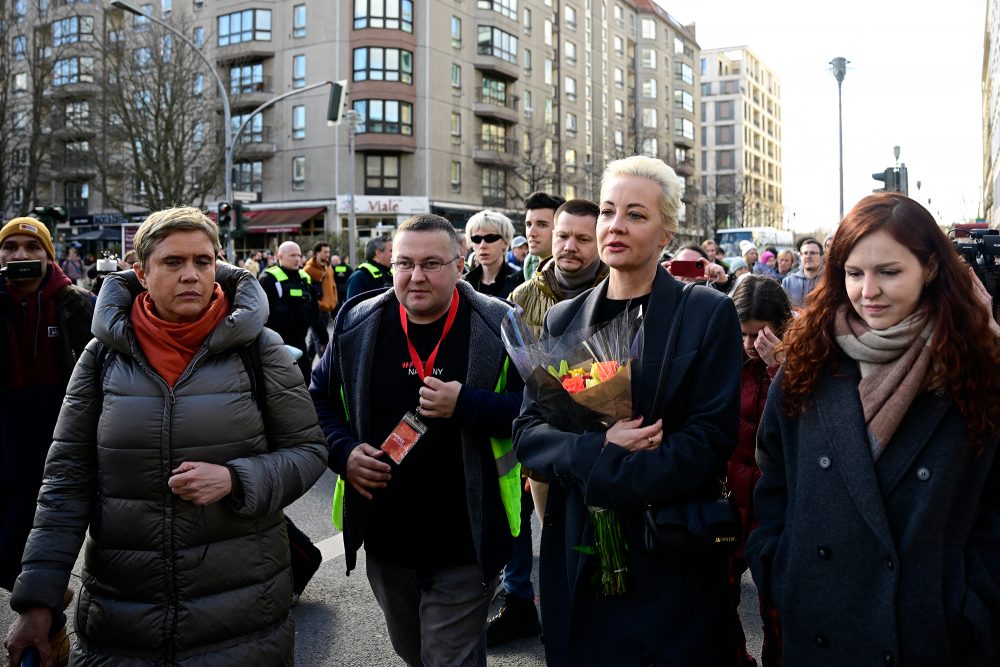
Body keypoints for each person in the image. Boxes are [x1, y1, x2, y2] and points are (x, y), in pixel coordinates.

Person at [3, 207, 328, 666]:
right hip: (122, 622)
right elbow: (65, 482)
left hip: (242, 621)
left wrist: (238, 480)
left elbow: (309, 451)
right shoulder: (102, 357)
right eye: (173, 263)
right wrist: (37, 601)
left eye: (203, 261)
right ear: (141, 272)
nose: (191, 275)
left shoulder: (261, 349)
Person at [746, 193, 1000, 665]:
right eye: (854, 273)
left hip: (928, 636)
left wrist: (970, 606)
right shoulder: (807, 360)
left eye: (889, 272)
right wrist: (781, 568)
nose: (868, 291)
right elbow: (773, 476)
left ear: (929, 269)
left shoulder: (978, 370)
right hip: (819, 625)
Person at [513, 155, 743, 666]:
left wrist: (614, 478)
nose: (616, 225)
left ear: (667, 232)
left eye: (636, 214)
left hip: (670, 552)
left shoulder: (706, 313)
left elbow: (709, 439)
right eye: (609, 211)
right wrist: (598, 451)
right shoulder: (564, 316)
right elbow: (529, 431)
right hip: (581, 551)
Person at [311, 214, 524, 667]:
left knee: (448, 659)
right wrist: (344, 453)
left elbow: (537, 410)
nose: (416, 276)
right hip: (387, 538)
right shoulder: (358, 320)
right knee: (413, 652)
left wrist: (467, 404)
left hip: (465, 538)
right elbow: (318, 402)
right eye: (405, 263)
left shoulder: (498, 322)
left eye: (432, 263)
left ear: (459, 265)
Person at [491, 199, 609, 648]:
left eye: (583, 238)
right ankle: (567, 629)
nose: (570, 247)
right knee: (559, 547)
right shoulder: (522, 298)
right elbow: (516, 378)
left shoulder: (618, 288)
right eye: (563, 236)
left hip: (606, 445)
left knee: (604, 551)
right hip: (545, 456)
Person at [0, 218, 94, 661]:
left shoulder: (78, 304)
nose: (19, 255)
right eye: (10, 247)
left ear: (48, 255)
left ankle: (46, 622)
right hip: (6, 434)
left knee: (30, 539)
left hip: (61, 431)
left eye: (30, 247)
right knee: (5, 552)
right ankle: (51, 605)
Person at [726, 275, 792, 667]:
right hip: (729, 499)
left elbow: (804, 426)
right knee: (717, 602)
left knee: (778, 613)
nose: (751, 345)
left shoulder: (801, 358)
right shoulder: (722, 356)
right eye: (743, 335)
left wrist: (778, 369)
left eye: (759, 335)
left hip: (776, 508)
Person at [259, 241, 314, 383]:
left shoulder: (304, 279)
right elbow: (261, 314)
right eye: (293, 255)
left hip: (300, 341)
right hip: (277, 344)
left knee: (305, 380)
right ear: (280, 257)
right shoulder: (269, 280)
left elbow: (314, 310)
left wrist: (322, 336)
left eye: (299, 255)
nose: (297, 259)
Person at [464, 210, 524, 299]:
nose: (482, 245)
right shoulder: (464, 284)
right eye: (476, 239)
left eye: (490, 238)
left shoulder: (521, 283)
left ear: (505, 242)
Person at [522, 192, 566, 280]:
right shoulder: (527, 270)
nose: (531, 233)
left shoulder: (577, 275)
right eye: (528, 224)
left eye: (542, 225)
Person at [304, 241, 337, 359]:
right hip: (316, 310)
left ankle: (306, 367)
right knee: (322, 340)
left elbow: (332, 285)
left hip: (327, 308)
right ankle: (325, 370)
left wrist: (334, 301)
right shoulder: (308, 269)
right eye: (325, 252)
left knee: (315, 341)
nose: (327, 254)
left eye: (328, 252)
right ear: (317, 253)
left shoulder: (328, 266)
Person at [664, 243, 730, 291]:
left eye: (695, 266)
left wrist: (724, 284)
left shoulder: (713, 293)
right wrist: (657, 279)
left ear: (705, 267)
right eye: (683, 266)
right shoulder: (665, 290)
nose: (688, 274)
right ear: (672, 267)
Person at [781, 236, 823, 309]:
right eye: (805, 253)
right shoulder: (788, 282)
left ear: (821, 257)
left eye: (812, 253)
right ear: (800, 256)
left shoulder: (829, 282)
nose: (808, 256)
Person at [346, 235, 393, 300]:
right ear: (379, 253)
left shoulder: (392, 274)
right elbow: (353, 308)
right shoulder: (359, 277)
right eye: (391, 251)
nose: (395, 254)